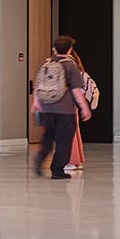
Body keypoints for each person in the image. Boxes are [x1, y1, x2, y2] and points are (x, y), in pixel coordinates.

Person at [31, 35, 90, 179]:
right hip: (65, 110)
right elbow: (76, 91)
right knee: (64, 140)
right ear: (70, 50)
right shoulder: (71, 66)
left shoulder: (46, 65)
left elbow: (38, 85)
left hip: (46, 108)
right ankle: (57, 170)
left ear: (54, 49)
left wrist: (36, 103)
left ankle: (40, 157)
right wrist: (84, 107)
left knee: (48, 136)